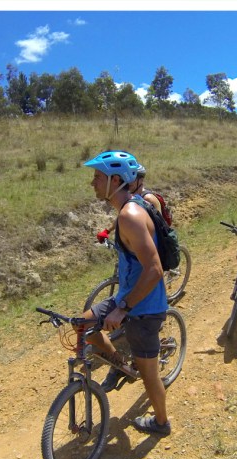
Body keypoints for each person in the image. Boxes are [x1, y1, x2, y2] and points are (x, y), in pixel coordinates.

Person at [82, 150, 171, 435]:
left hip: (145, 307)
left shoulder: (131, 215)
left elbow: (154, 269)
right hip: (127, 297)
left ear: (116, 180)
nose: (92, 182)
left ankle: (161, 422)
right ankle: (121, 365)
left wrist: (123, 309)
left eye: (98, 177)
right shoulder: (126, 210)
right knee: (83, 324)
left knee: (149, 375)